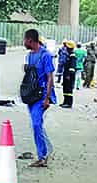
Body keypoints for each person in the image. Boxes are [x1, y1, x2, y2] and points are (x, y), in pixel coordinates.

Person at [22, 28, 56, 168]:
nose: (24, 42)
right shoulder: (30, 55)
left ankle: (42, 156)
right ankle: (47, 150)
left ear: (30, 40)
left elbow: (50, 78)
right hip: (31, 95)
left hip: (41, 95)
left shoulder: (45, 55)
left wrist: (47, 98)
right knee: (36, 124)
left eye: (24, 39)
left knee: (36, 124)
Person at [57, 40, 77, 108]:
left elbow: (72, 67)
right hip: (66, 75)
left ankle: (69, 103)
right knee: (65, 88)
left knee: (68, 89)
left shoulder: (72, 56)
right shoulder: (69, 55)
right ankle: (65, 101)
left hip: (69, 76)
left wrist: (69, 75)